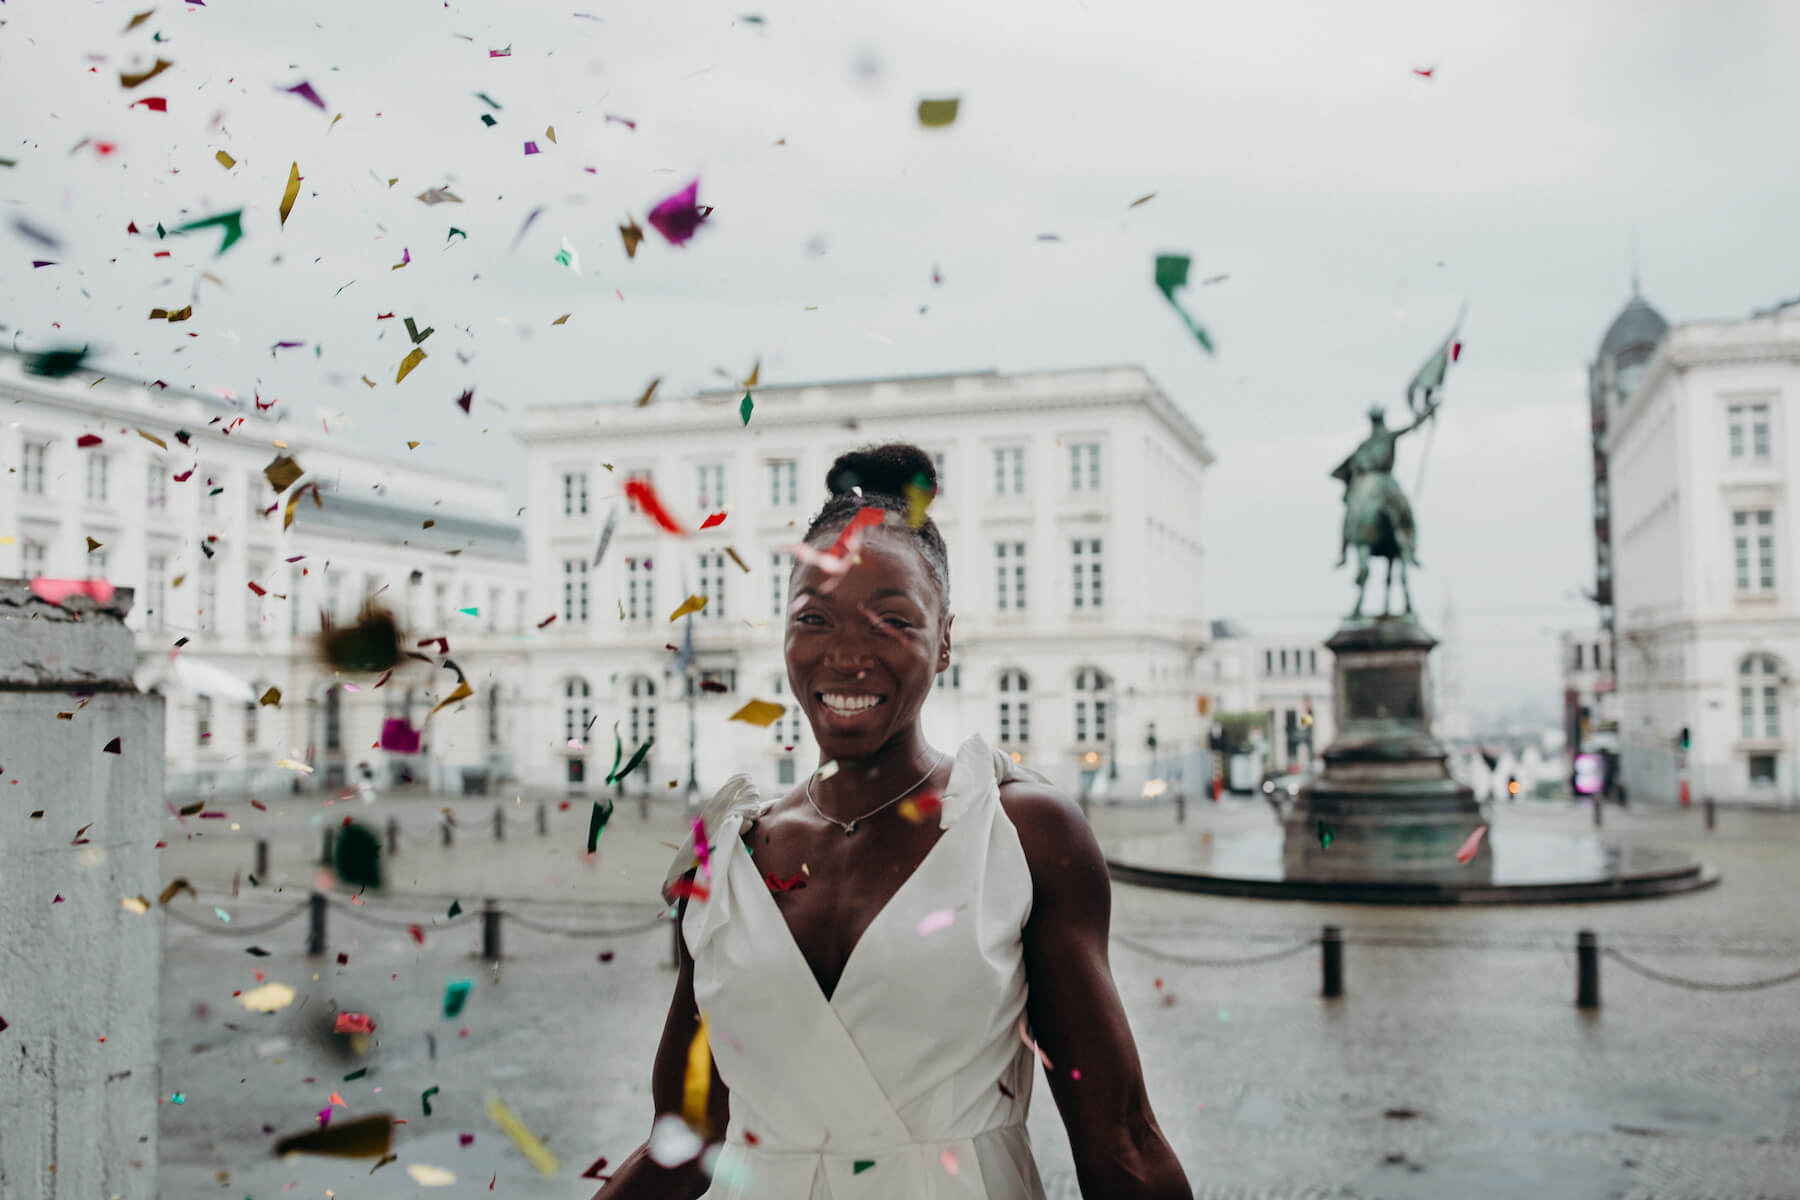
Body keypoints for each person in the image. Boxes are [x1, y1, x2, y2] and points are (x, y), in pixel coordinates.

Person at [596, 444, 1191, 1199]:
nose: (847, 655)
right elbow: (680, 1143)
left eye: (892, 621)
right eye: (815, 618)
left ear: (944, 641)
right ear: (784, 633)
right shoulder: (728, 856)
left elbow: (1121, 1144)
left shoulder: (1019, 835)